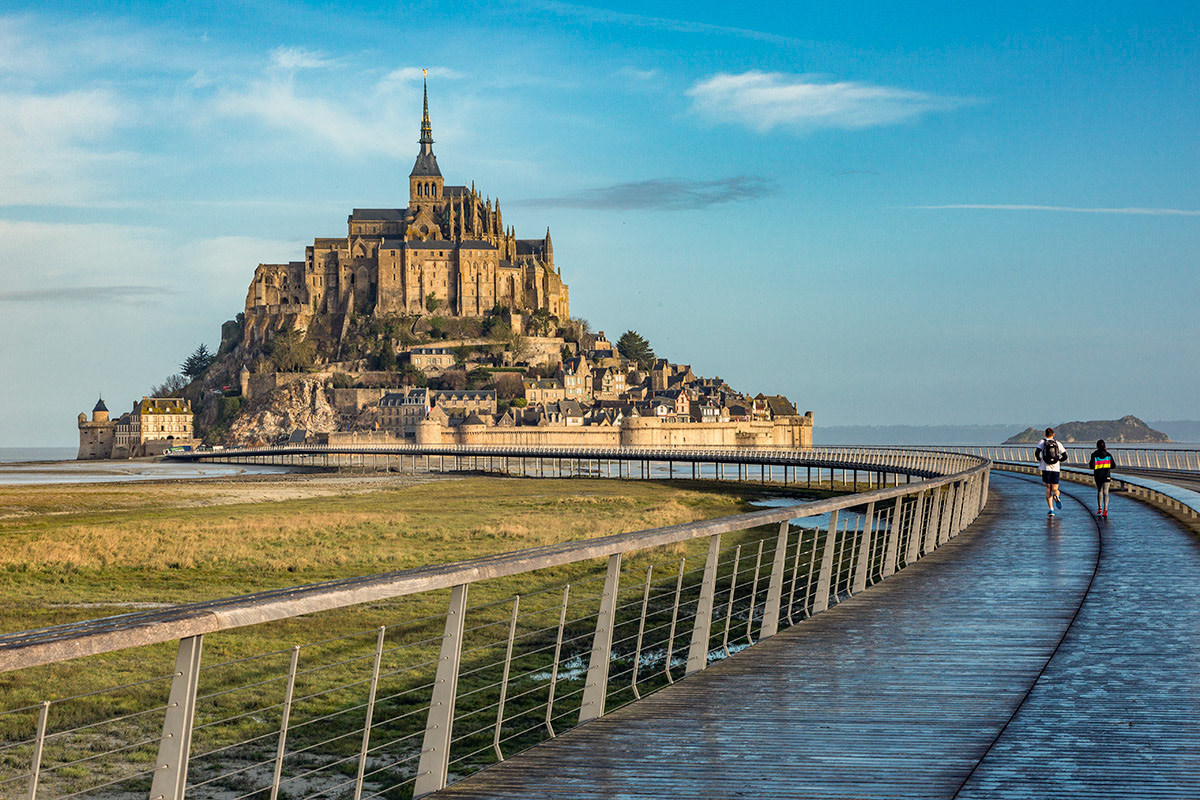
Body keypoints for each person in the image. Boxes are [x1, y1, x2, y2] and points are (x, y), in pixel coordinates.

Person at [1035, 428, 1067, 515]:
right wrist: (1059, 460)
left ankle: (1051, 509)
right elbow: (1065, 456)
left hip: (1046, 468)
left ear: (1045, 434)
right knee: (1055, 488)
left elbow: (1037, 453)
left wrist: (1040, 459)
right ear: (1053, 434)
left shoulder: (1042, 442)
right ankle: (1056, 495)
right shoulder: (1057, 443)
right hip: (1056, 468)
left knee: (1048, 488)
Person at [1088, 439, 1115, 517]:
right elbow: (1113, 465)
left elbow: (1091, 466)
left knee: (1100, 490)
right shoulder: (1108, 455)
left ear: (1097, 446)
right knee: (1106, 492)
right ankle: (1105, 509)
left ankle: (1099, 508)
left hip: (1098, 475)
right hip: (1106, 475)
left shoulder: (1094, 455)